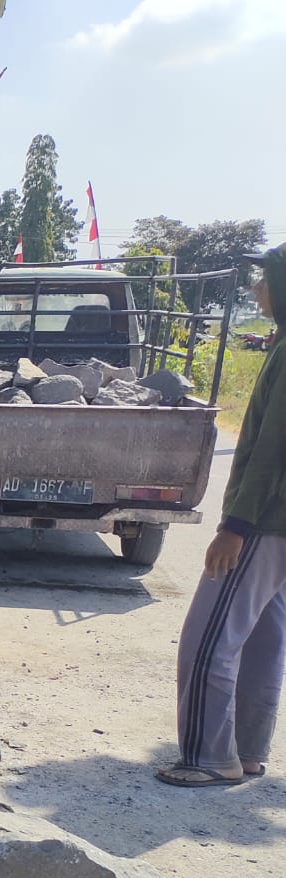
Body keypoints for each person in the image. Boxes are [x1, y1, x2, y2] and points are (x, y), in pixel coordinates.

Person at [157, 241, 286, 787]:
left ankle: (210, 758)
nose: (257, 289)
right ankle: (247, 751)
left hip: (264, 523)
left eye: (266, 278)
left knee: (208, 639)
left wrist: (236, 526)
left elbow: (273, 449)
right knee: (263, 639)